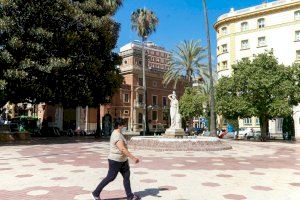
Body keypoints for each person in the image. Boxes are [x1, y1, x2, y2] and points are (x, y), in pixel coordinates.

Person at [92, 118, 140, 200]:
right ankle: (96, 193)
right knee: (110, 177)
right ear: (119, 125)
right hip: (115, 160)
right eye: (123, 125)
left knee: (126, 177)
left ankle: (130, 196)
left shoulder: (119, 133)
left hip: (123, 160)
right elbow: (122, 149)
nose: (124, 126)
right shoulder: (116, 135)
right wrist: (133, 158)